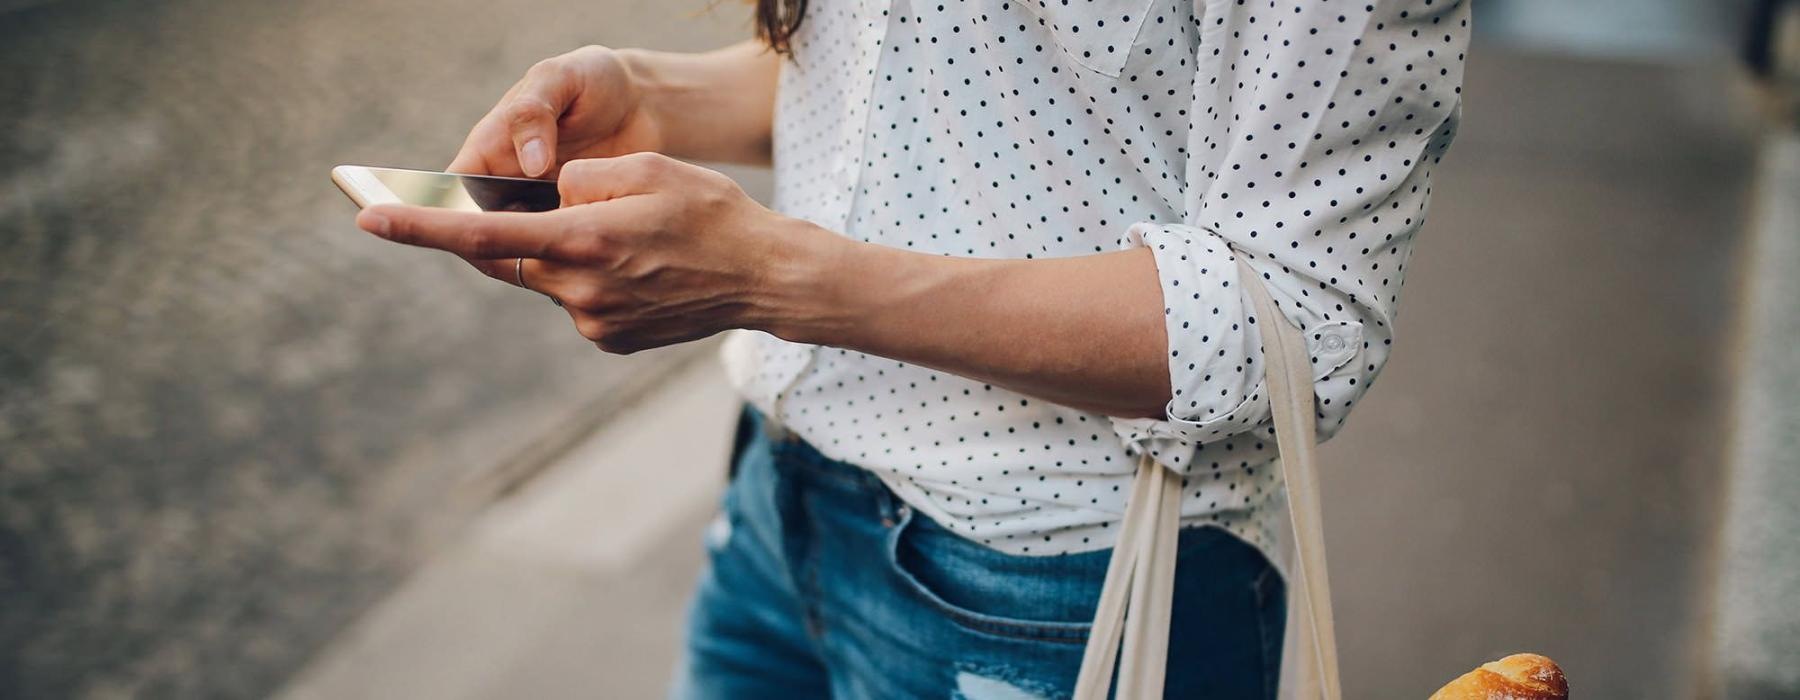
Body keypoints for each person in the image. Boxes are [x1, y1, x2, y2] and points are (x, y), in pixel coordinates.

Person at [355, 0, 1470, 696]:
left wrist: (768, 276)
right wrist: (651, 93)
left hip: (1053, 584)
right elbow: (910, 71)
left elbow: (1301, 312)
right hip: (775, 507)